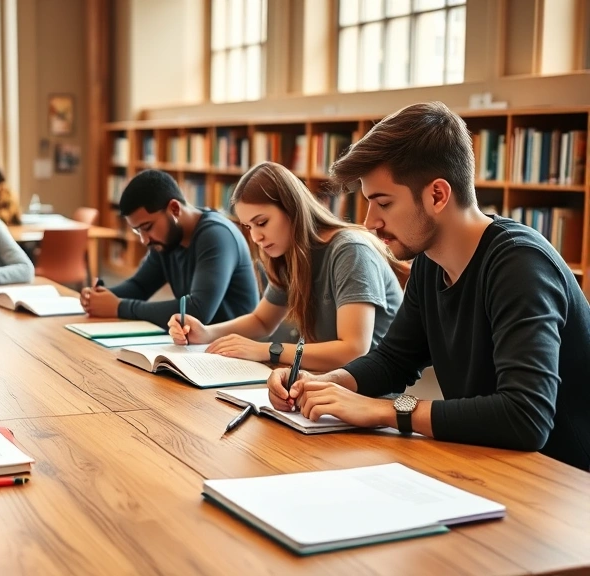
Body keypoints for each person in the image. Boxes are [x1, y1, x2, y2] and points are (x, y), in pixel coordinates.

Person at [266, 101, 590, 471]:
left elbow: (526, 417)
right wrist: (324, 383)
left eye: (382, 203)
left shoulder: (520, 266)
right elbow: (394, 360)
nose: (370, 222)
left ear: (437, 195)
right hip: (487, 463)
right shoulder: (429, 264)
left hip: (563, 485)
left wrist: (383, 411)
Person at [168, 161, 407, 372]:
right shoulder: (290, 253)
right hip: (322, 382)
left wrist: (267, 350)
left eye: (262, 222)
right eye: (249, 227)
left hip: (367, 395)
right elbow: (262, 321)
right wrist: (206, 333)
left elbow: (354, 350)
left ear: (292, 210)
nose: (256, 237)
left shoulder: (350, 250)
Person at [80, 169, 259, 328]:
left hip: (237, 354)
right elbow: (140, 286)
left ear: (174, 208)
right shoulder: (167, 241)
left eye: (147, 227)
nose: (144, 240)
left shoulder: (216, 235)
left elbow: (198, 311)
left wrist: (119, 307)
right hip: (198, 347)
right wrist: (99, 297)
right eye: (137, 231)